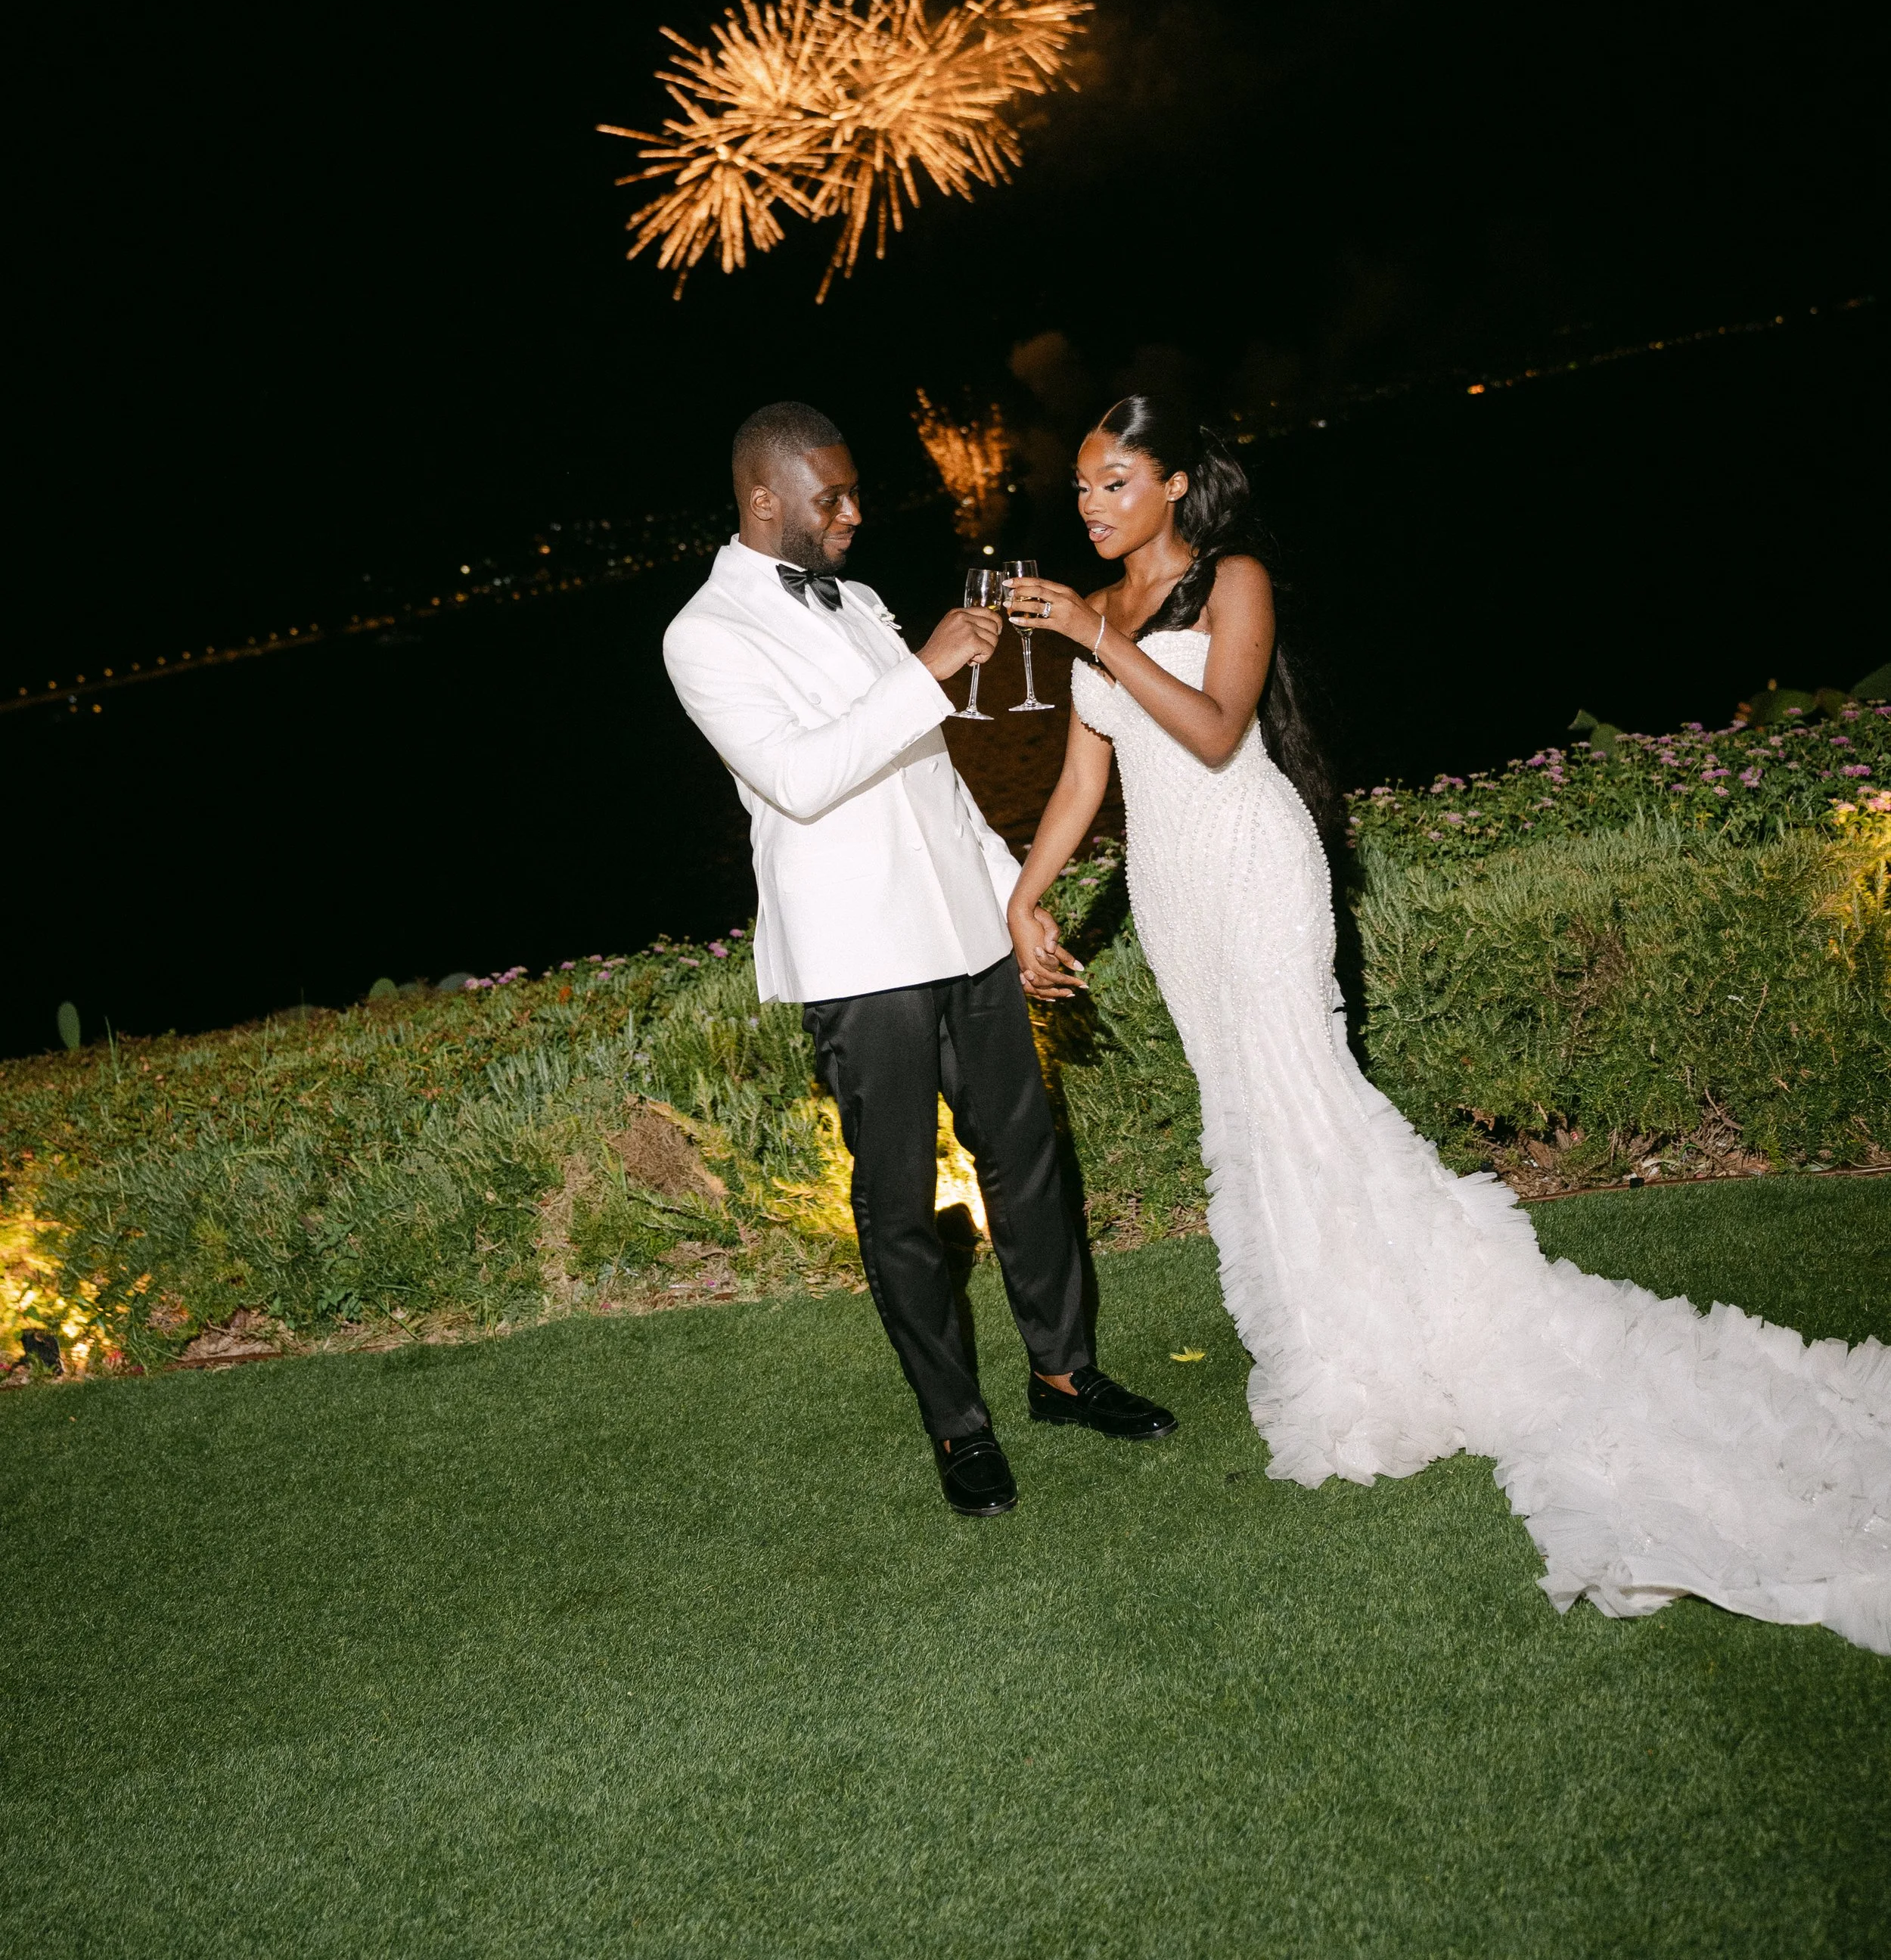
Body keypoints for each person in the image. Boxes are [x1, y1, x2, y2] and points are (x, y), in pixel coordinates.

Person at [1004, 393, 1891, 1654]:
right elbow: (1089, 772)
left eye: (1113, 483)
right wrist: (1024, 898)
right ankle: (1334, 1326)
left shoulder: (1232, 579)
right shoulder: (1104, 625)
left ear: (1177, 486)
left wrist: (1097, 630)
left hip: (1255, 868)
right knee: (1249, 1113)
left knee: (1307, 1093)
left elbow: (1209, 734)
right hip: (1176, 900)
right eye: (1082, 487)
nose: (1089, 506)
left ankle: (1392, 1343)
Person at [663, 399, 1175, 1516]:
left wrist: (1013, 897)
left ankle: (1064, 1369)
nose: (855, 512)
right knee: (899, 1201)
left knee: (1027, 1152)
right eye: (831, 497)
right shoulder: (702, 634)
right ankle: (959, 1429)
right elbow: (800, 778)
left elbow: (934, 777)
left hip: (959, 925)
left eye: (853, 492)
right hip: (857, 956)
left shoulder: (860, 599)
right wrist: (930, 666)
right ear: (765, 500)